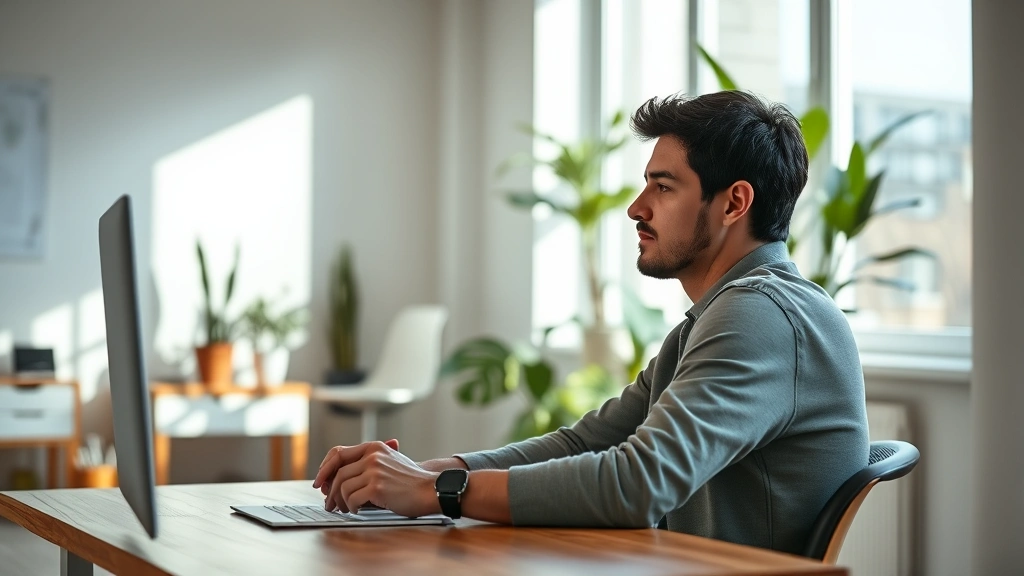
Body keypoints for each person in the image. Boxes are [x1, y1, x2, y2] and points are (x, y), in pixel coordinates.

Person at [313, 90, 869, 556]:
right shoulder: (723, 315)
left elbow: (638, 483)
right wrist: (418, 472)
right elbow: (588, 441)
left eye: (664, 186)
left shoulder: (761, 315)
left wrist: (439, 491)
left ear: (733, 203)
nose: (636, 207)